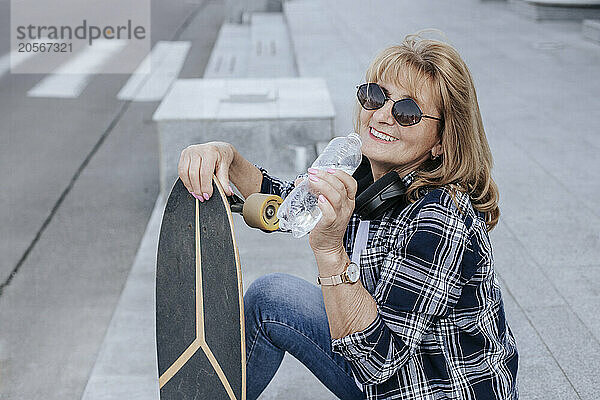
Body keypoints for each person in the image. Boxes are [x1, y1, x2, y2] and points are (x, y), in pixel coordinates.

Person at [178, 32, 518, 400]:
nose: (383, 116)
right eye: (376, 96)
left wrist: (330, 252)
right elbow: (291, 203)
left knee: (272, 296)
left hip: (430, 389)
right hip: (383, 368)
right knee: (270, 298)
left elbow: (376, 364)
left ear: (440, 140)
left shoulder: (439, 217)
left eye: (407, 112)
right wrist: (225, 155)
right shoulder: (368, 178)